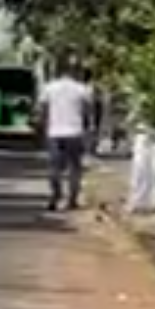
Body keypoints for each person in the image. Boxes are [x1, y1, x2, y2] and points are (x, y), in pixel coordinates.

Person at [38, 60, 93, 211]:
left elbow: (43, 110)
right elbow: (87, 113)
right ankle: (72, 200)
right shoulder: (82, 89)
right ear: (74, 72)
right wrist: (88, 131)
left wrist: (43, 129)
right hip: (75, 132)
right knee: (74, 168)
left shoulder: (49, 88)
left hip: (54, 132)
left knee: (54, 167)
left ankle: (55, 195)